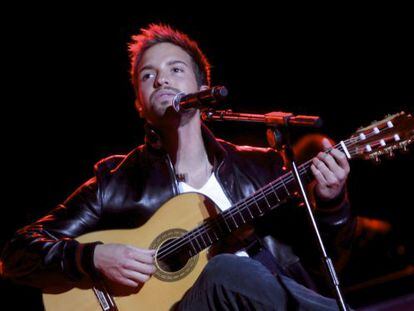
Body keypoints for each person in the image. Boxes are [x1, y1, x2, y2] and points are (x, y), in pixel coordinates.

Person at [0, 23, 355, 310]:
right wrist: (92, 257)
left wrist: (331, 204)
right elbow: (17, 253)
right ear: (139, 104)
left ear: (203, 89)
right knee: (224, 268)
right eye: (147, 76)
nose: (161, 80)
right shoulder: (116, 183)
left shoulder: (260, 167)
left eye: (175, 69)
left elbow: (324, 262)